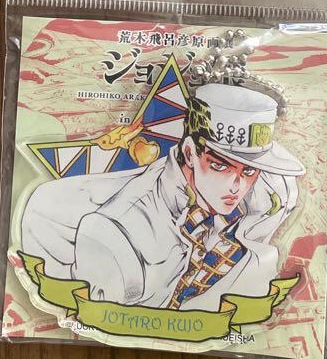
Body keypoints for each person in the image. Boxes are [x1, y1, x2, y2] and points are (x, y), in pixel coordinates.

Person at [21, 83, 302, 311]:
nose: (236, 186)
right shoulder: (120, 230)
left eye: (249, 171)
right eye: (219, 166)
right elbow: (107, 321)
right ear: (190, 154)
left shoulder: (273, 195)